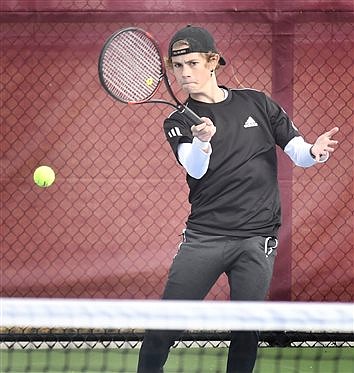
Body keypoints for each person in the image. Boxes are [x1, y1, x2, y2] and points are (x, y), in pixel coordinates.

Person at [136, 25, 339, 373]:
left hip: (256, 239)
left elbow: (298, 152)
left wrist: (316, 153)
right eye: (177, 66)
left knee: (246, 330)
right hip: (204, 238)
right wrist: (202, 141)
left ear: (213, 61)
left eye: (192, 63)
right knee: (164, 325)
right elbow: (195, 169)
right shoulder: (177, 120)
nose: (184, 74)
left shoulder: (257, 102)